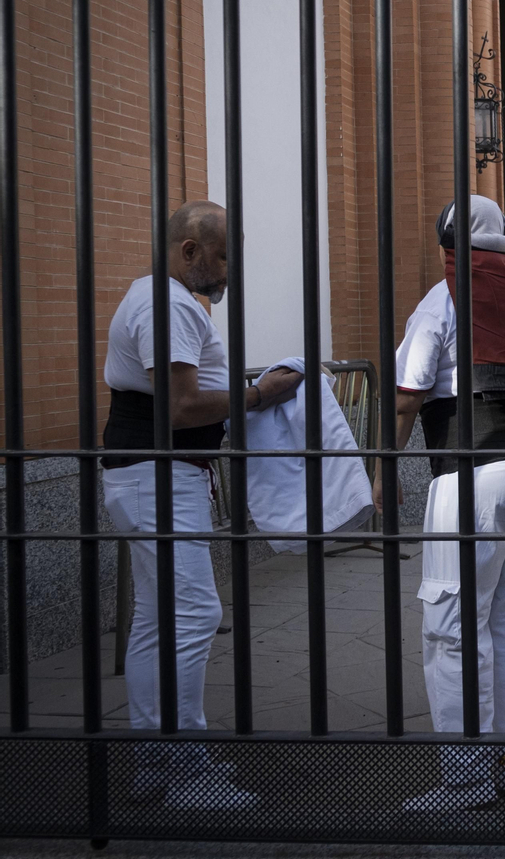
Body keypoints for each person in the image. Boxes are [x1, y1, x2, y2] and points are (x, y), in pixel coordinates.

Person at [102, 201, 303, 809]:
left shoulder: (163, 301)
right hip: (157, 478)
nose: (228, 272)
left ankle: (155, 760)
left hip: (150, 476)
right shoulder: (165, 305)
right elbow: (181, 407)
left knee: (156, 620)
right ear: (189, 252)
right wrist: (257, 393)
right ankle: (185, 768)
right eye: (222, 258)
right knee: (191, 614)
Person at [406, 194, 505, 811]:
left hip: (473, 471)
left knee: (453, 625)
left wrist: (381, 468)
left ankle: (468, 777)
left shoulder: (444, 296)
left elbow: (405, 393)